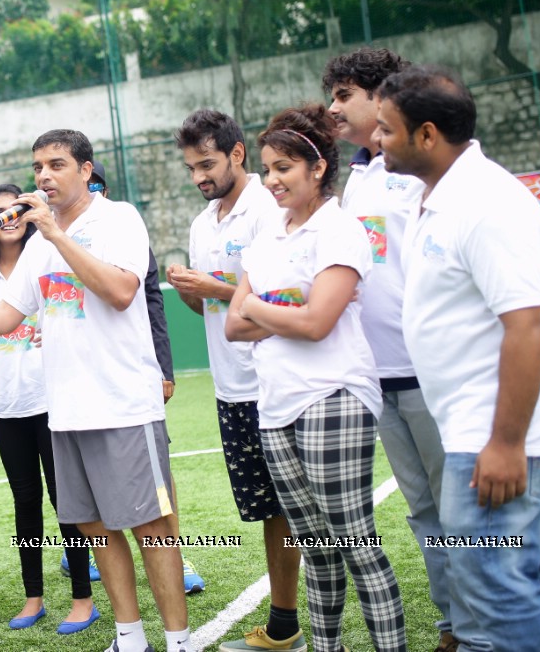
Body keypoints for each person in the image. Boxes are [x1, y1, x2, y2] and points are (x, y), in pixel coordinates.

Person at [0, 129, 193, 652]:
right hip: (65, 412)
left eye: (56, 164)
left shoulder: (118, 219)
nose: (43, 176)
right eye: (38, 166)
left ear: (86, 170)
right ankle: (130, 637)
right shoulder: (40, 242)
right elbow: (5, 313)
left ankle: (179, 640)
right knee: (93, 527)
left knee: (153, 527)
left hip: (125, 406)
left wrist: (57, 235)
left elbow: (120, 290)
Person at [375, 65, 540, 651]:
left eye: (387, 130)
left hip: (501, 432)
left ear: (428, 135)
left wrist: (507, 442)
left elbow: (528, 325)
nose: (378, 141)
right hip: (478, 423)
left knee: (494, 582)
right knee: (531, 573)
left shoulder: (486, 202)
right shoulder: (438, 194)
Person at [225, 106, 405, 652]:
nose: (274, 180)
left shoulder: (340, 228)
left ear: (317, 168)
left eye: (285, 168)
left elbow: (319, 322)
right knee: (317, 549)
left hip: (334, 397)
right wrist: (287, 307)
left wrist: (262, 305)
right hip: (275, 406)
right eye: (269, 169)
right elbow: (234, 326)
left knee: (353, 540)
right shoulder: (265, 239)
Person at [322, 48, 467, 652]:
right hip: (378, 376)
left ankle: (487, 624)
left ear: (381, 97)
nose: (333, 109)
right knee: (424, 512)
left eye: (343, 96)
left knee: (462, 515)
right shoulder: (357, 175)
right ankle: (454, 626)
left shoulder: (417, 170)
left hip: (432, 372)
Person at [166, 110, 305, 652]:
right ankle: (285, 624)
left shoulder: (267, 208)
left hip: (276, 381)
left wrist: (215, 286)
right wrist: (190, 287)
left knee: (300, 509)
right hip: (231, 388)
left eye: (207, 164)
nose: (200, 176)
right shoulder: (204, 222)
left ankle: (287, 619)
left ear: (237, 153)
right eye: (191, 167)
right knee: (271, 509)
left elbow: (277, 293)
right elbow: (206, 302)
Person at [0, 183, 99, 634]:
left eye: (15, 209)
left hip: (51, 399)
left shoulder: (48, 254)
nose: (8, 218)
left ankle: (83, 598)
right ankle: (33, 597)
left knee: (67, 502)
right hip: (6, 405)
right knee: (25, 503)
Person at [88, 159, 204, 596]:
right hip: (72, 388)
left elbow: (151, 299)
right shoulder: (50, 238)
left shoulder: (123, 227)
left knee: (155, 477)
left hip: (128, 385)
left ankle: (175, 551)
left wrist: (164, 368)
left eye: (99, 182)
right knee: (82, 486)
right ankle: (84, 553)